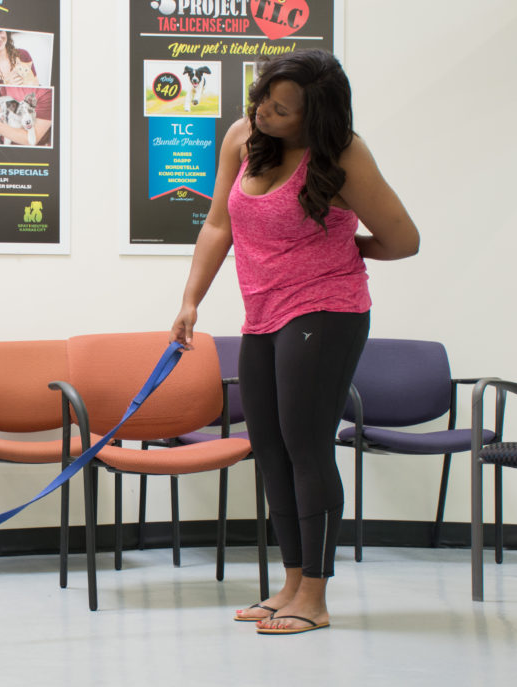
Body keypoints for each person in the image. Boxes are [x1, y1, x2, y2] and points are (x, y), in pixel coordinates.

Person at [169, 49, 419, 635]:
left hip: (327, 311)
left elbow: (403, 239)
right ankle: (289, 583)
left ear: (314, 117)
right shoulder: (242, 137)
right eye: (262, 100)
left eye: (281, 110)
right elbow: (217, 225)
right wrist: (190, 300)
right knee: (272, 448)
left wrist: (344, 248)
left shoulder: (344, 154)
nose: (262, 114)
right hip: (262, 315)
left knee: (308, 447)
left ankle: (316, 595)